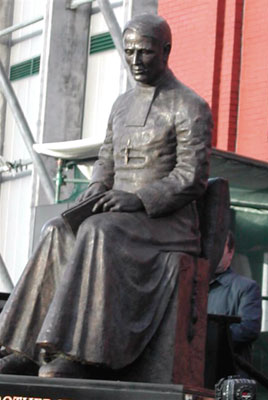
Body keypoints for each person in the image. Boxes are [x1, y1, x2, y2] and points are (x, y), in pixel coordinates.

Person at [0, 14, 212, 379]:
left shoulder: (189, 106)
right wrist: (94, 193)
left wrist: (140, 199)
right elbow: (106, 162)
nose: (135, 61)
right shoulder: (121, 104)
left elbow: (191, 177)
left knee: (99, 232)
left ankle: (78, 355)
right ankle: (27, 347)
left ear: (166, 51)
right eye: (129, 52)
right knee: (56, 229)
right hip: (117, 211)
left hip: (166, 222)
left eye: (144, 52)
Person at [207, 231, 262, 364]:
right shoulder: (192, 285)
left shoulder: (247, 288)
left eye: (219, 246)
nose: (212, 251)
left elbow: (248, 329)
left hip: (227, 372)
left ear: (230, 252)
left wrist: (205, 337)